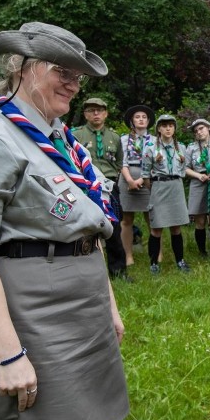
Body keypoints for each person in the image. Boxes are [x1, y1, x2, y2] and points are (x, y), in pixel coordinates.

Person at [0, 22, 128, 420]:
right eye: (63, 71)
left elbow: (89, 228)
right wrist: (7, 355)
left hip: (85, 305)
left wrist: (108, 306)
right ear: (23, 66)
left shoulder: (65, 143)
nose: (74, 85)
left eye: (79, 77)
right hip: (33, 313)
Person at [73, 97, 130, 282]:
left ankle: (118, 271)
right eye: (91, 110)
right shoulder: (76, 136)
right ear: (85, 114)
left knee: (114, 228)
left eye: (99, 110)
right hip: (85, 187)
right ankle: (87, 272)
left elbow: (120, 163)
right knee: (85, 228)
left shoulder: (114, 137)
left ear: (106, 113)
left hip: (109, 187)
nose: (96, 114)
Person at [142, 114, 191, 274]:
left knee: (176, 227)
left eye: (171, 125)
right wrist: (155, 188)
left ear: (174, 128)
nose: (168, 128)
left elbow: (183, 169)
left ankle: (180, 261)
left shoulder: (181, 148)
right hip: (159, 187)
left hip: (176, 187)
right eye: (164, 126)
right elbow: (145, 174)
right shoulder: (150, 148)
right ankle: (153, 263)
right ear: (158, 129)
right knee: (156, 227)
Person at [119, 105, 156, 266]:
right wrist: (130, 180)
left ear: (148, 121)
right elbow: (122, 161)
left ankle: (157, 253)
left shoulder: (155, 140)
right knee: (127, 219)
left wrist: (141, 180)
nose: (141, 119)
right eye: (137, 117)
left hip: (148, 179)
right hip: (127, 178)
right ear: (132, 121)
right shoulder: (124, 139)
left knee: (152, 218)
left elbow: (156, 163)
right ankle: (128, 255)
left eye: (144, 117)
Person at [185, 118, 210, 262]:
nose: (198, 132)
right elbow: (185, 168)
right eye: (196, 131)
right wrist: (198, 175)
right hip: (198, 183)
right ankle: (202, 251)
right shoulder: (191, 148)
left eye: (201, 129)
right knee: (200, 221)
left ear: (208, 128)